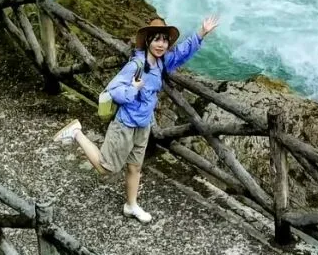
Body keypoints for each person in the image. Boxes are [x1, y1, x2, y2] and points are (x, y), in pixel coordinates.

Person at [52, 12, 219, 223]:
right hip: (125, 125)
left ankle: (131, 205)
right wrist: (133, 88)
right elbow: (113, 91)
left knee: (135, 167)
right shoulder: (135, 66)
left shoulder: (161, 62)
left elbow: (181, 53)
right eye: (156, 39)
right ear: (147, 41)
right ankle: (76, 132)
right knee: (105, 168)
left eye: (165, 40)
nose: (161, 44)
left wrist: (201, 33)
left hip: (143, 125)